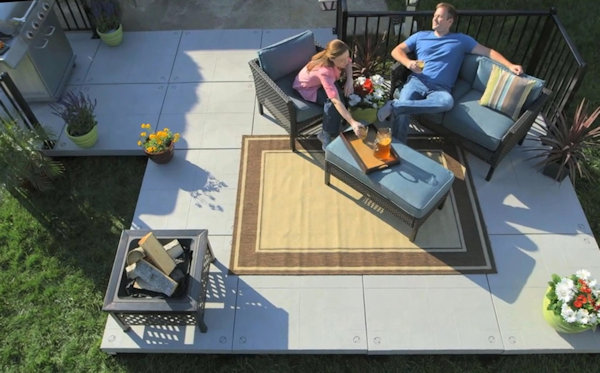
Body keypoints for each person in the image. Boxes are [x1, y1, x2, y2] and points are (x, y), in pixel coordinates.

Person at [377, 2, 524, 143]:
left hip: (440, 89)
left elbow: (488, 52)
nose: (434, 19)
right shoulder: (420, 36)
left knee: (447, 102)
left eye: (439, 16)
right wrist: (409, 63)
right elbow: (396, 51)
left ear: (449, 21)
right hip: (417, 81)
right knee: (404, 110)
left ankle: (395, 106)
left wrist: (510, 65)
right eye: (434, 15)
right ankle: (398, 146)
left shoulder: (461, 40)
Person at [293, 39, 365, 150]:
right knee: (332, 104)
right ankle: (325, 135)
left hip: (322, 82)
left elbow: (349, 63)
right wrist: (352, 122)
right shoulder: (324, 72)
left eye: (347, 56)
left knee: (340, 98)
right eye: (342, 60)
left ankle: (333, 129)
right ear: (332, 59)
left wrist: (349, 79)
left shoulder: (340, 57)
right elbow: (335, 101)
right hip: (308, 88)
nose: (346, 61)